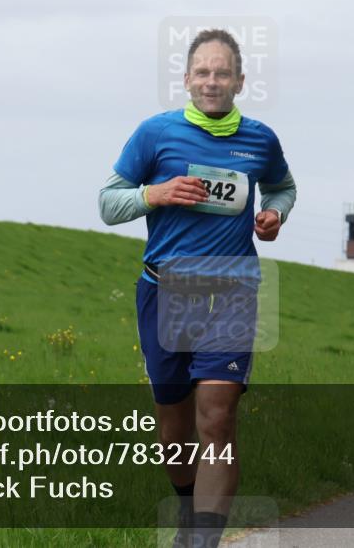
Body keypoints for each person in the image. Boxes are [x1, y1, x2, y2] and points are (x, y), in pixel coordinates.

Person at [98, 29, 296, 548]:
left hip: (232, 293)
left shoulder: (261, 140)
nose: (212, 81)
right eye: (203, 72)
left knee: (219, 418)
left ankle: (203, 540)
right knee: (174, 432)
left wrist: (275, 213)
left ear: (240, 81)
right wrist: (155, 193)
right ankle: (188, 514)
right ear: (187, 79)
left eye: (222, 72)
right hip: (165, 294)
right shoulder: (155, 134)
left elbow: (282, 186)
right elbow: (108, 204)